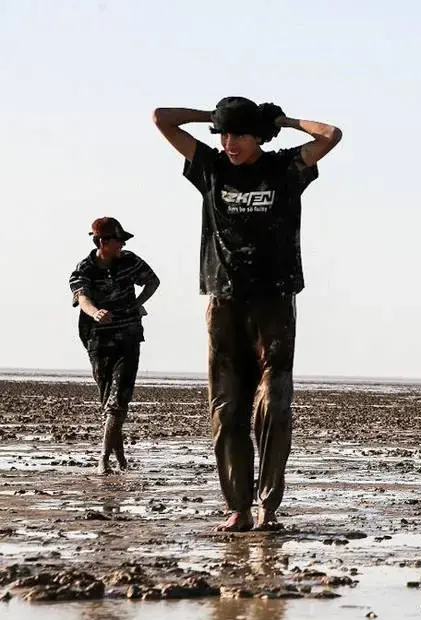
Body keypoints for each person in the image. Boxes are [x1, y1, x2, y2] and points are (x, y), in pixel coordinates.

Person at [153, 96, 342, 532]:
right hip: (223, 302)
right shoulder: (210, 167)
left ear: (258, 136)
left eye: (239, 133)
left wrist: (283, 121)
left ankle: (267, 506)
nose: (229, 141)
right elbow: (161, 118)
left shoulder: (284, 169)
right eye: (224, 133)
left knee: (274, 405)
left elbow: (331, 135)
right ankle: (236, 506)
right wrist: (212, 117)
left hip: (274, 302)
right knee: (226, 408)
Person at [69, 218, 160, 475]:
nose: (123, 244)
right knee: (107, 399)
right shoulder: (84, 269)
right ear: (102, 242)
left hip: (129, 336)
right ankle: (119, 456)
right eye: (118, 240)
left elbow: (153, 281)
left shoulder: (129, 260)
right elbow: (82, 297)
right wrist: (95, 312)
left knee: (117, 400)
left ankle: (103, 459)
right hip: (97, 340)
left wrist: (137, 303)